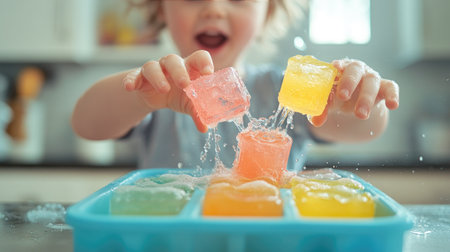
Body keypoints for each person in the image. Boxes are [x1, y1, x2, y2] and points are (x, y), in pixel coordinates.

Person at [71, 0, 399, 171]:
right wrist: (140, 97)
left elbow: (366, 129)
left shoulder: (285, 89)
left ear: (267, 12)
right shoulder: (161, 88)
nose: (214, 7)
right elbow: (86, 124)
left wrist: (352, 100)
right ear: (161, 8)